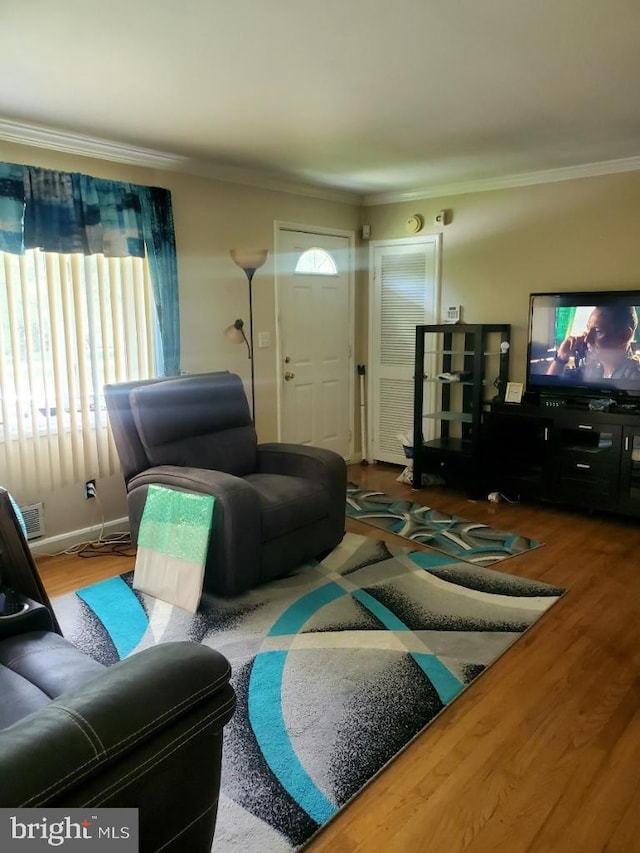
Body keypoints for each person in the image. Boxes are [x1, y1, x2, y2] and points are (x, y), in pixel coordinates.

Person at [547, 304, 640, 381]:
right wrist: (561, 357)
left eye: (598, 331)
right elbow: (549, 388)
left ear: (625, 336)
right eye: (588, 329)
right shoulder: (593, 370)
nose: (587, 339)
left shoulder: (634, 378)